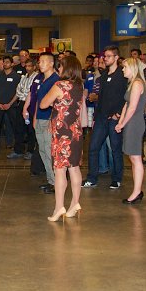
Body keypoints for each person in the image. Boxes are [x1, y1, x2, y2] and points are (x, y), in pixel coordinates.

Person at [39, 55, 85, 221]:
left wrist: (55, 103)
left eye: (60, 66)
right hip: (76, 131)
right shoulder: (79, 86)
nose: (58, 69)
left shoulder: (60, 85)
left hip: (61, 133)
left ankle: (59, 207)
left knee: (59, 170)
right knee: (74, 168)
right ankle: (75, 203)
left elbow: (43, 103)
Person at [82, 46, 126, 189]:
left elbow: (127, 97)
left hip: (114, 118)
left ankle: (117, 178)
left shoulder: (122, 75)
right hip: (101, 117)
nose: (105, 59)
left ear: (116, 58)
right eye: (104, 56)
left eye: (108, 56)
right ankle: (92, 178)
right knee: (93, 147)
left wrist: (119, 114)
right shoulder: (103, 75)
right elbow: (101, 97)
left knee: (115, 149)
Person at [114, 57, 146, 204]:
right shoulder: (132, 83)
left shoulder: (137, 83)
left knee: (136, 158)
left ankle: (137, 191)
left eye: (125, 67)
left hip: (135, 123)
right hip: (130, 122)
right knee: (133, 158)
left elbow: (132, 107)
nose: (123, 69)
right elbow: (126, 105)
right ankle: (136, 190)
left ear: (132, 68)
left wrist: (123, 123)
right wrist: (121, 121)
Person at [26, 52, 59, 194]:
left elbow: (56, 104)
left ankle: (57, 182)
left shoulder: (55, 80)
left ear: (51, 63)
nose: (40, 64)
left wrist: (52, 121)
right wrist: (34, 118)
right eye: (39, 62)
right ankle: (50, 180)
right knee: (43, 150)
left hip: (48, 120)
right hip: (39, 118)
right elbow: (39, 100)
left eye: (43, 61)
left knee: (50, 151)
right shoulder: (41, 79)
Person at [0, 56, 23, 156]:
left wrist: (9, 104)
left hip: (12, 105)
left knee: (16, 127)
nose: (5, 64)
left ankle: (18, 149)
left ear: (12, 64)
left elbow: (18, 92)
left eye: (7, 62)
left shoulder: (17, 76)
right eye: (3, 62)